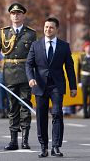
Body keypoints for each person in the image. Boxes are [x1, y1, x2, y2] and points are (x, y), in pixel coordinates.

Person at [0, 3, 37, 150]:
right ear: (10, 15)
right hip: (9, 74)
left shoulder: (30, 34)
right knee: (12, 106)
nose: (16, 15)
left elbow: (35, 56)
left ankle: (25, 140)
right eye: (13, 13)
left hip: (26, 73)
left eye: (18, 13)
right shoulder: (3, 33)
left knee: (25, 105)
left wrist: (36, 75)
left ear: (23, 15)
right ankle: (13, 141)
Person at [26, 17, 77, 158]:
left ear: (56, 29)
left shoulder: (64, 46)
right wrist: (31, 78)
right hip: (40, 86)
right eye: (46, 27)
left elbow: (70, 68)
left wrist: (73, 87)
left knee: (57, 114)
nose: (48, 29)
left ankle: (56, 146)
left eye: (51, 27)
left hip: (56, 85)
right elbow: (29, 64)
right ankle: (43, 147)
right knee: (41, 116)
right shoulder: (35, 45)